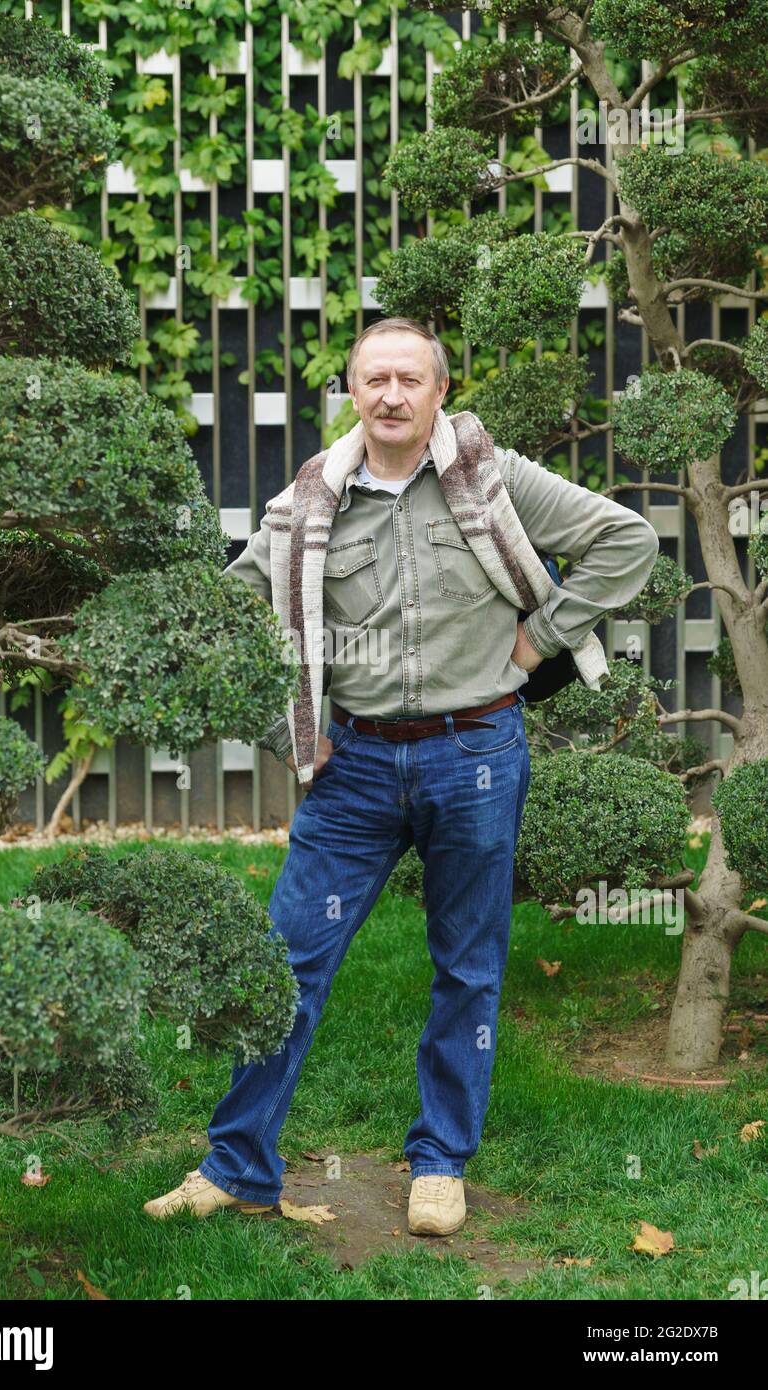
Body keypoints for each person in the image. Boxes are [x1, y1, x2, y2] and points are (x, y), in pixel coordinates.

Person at [144, 316, 660, 1235]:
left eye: (408, 380)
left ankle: (440, 1162)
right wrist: (285, 727)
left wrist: (542, 637)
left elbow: (627, 541)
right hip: (356, 767)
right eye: (373, 380)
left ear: (438, 394)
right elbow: (221, 620)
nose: (390, 395)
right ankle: (237, 1164)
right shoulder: (308, 504)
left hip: (478, 755)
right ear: (352, 394)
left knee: (468, 962)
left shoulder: (494, 481)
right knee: (287, 960)